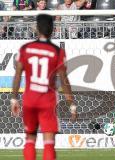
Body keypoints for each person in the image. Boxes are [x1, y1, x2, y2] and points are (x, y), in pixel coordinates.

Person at [10, 14, 77, 160]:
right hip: (47, 100)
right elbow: (64, 80)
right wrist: (72, 104)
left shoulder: (26, 49)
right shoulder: (57, 52)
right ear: (52, 29)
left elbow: (17, 75)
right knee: (48, 143)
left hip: (29, 99)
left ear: (37, 28)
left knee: (30, 139)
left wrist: (14, 99)